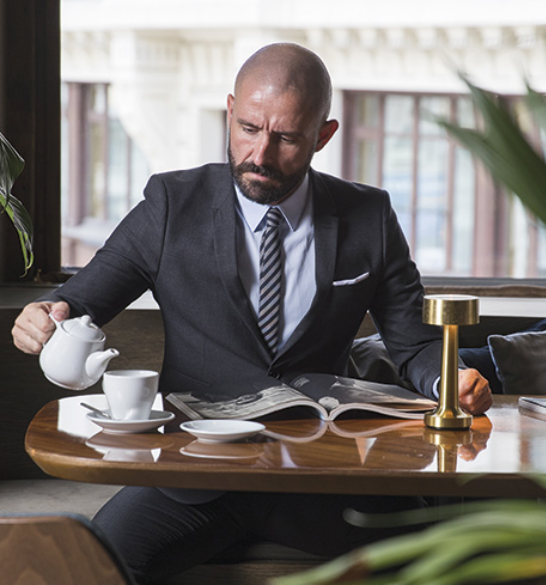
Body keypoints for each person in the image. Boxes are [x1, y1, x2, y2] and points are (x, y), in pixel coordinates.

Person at [12, 43, 492, 583]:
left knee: (451, 563)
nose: (260, 154)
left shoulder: (369, 216)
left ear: (323, 136)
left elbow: (415, 346)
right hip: (192, 477)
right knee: (87, 568)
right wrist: (42, 318)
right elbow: (80, 301)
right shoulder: (172, 203)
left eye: (286, 138)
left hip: (322, 478)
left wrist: (450, 380)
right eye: (248, 128)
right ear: (229, 111)